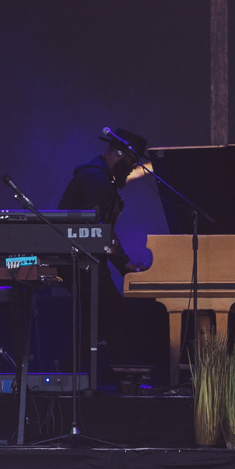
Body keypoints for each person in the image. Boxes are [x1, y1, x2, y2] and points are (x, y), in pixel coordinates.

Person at [57, 127, 147, 376]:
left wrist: (120, 261)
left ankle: (67, 375)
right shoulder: (96, 181)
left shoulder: (100, 179)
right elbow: (97, 230)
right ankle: (125, 376)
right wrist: (122, 261)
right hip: (79, 262)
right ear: (119, 152)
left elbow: (100, 231)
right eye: (131, 161)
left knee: (97, 319)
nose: (131, 168)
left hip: (82, 260)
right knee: (114, 310)